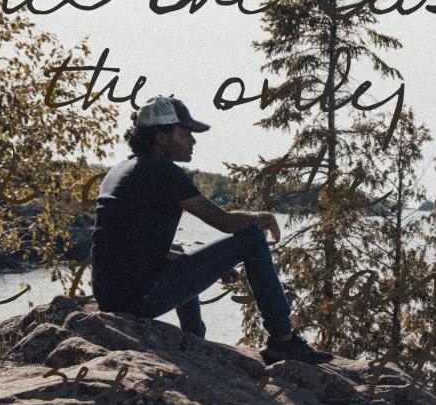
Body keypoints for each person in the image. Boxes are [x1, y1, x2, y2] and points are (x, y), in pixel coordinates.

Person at [90, 95, 332, 365]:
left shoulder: (120, 171)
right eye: (185, 133)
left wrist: (211, 265)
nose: (193, 140)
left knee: (179, 253)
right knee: (252, 238)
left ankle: (194, 340)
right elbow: (225, 222)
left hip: (110, 295)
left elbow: (131, 247)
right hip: (139, 299)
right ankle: (283, 341)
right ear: (161, 137)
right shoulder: (163, 172)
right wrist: (262, 216)